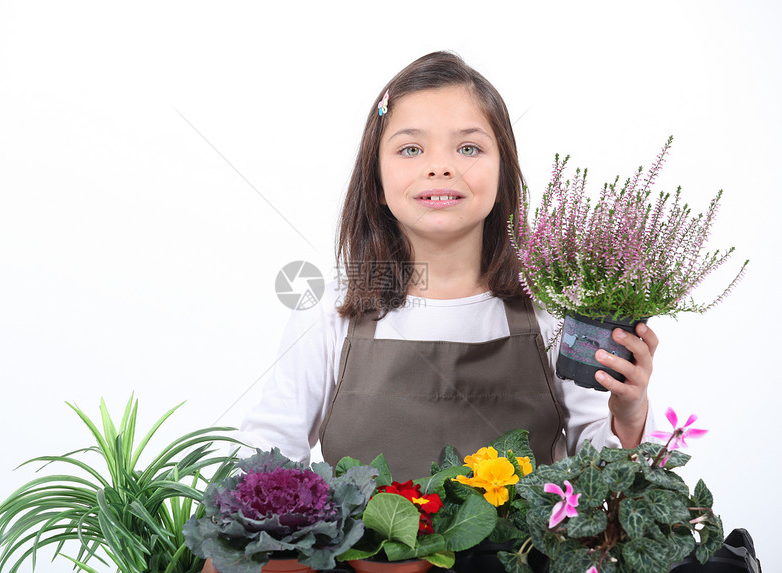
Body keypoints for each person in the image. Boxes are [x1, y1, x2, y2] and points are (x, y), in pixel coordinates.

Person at [238, 51, 657, 481]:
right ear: (377, 182)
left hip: (525, 551)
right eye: (411, 149)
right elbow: (270, 451)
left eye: (469, 148)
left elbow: (604, 475)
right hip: (363, 553)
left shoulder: (550, 309)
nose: (440, 167)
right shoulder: (331, 309)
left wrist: (628, 411)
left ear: (502, 174)